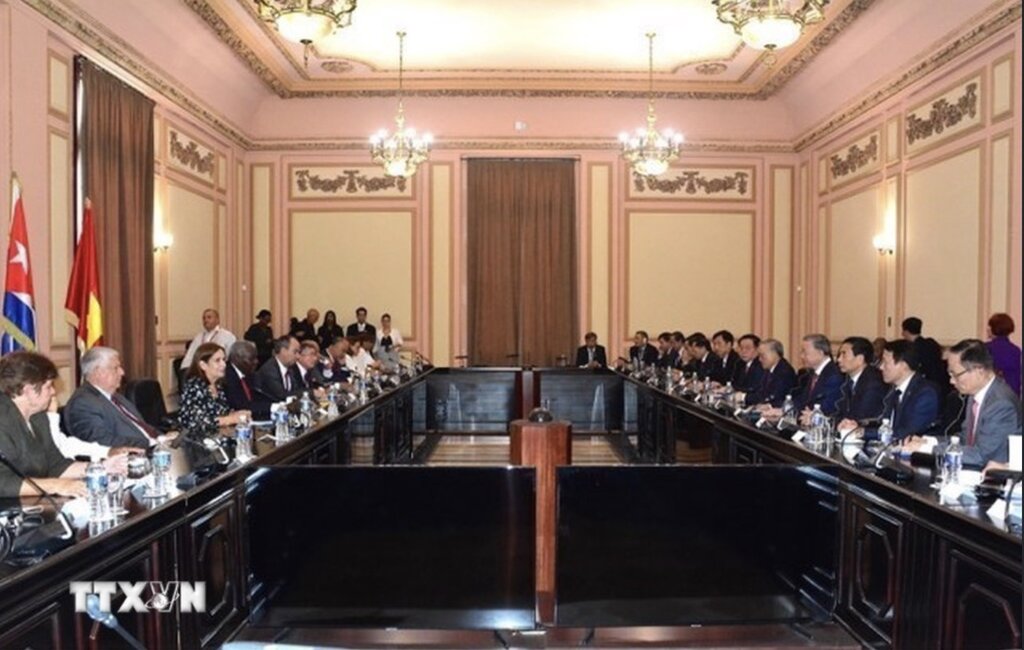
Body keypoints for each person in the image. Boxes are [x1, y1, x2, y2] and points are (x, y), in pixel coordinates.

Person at [905, 339, 1018, 468]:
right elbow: (965, 439)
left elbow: (981, 456)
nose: (952, 381)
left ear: (979, 371)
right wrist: (930, 441)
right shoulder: (976, 393)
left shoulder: (1001, 404)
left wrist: (927, 449)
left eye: (955, 375)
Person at [0, 352, 92, 497]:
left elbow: (56, 465)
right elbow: (3, 482)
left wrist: (101, 468)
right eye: (48, 386)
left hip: (33, 506)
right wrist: (57, 485)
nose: (53, 392)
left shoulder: (38, 417)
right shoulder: (3, 420)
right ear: (28, 390)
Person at [64, 347, 156, 448]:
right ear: (98, 372)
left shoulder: (117, 397)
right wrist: (150, 443)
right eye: (116, 368)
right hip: (131, 457)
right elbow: (101, 441)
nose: (122, 372)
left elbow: (142, 427)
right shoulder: (82, 403)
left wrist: (163, 437)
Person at [863, 339, 940, 441]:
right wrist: (858, 426)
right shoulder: (894, 390)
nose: (881, 367)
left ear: (903, 365)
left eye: (885, 362)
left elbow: (907, 433)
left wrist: (864, 433)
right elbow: (884, 422)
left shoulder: (925, 393)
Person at [178, 343, 250, 434]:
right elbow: (196, 422)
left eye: (224, 360)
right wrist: (229, 419)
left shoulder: (218, 386)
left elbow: (221, 414)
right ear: (203, 365)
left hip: (218, 438)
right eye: (217, 361)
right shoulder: (194, 387)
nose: (223, 364)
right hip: (198, 442)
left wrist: (237, 414)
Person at [834, 336, 887, 427]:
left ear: (860, 359)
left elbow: (860, 417)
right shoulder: (849, 381)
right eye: (839, 355)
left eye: (844, 355)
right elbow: (841, 412)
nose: (838, 359)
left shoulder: (874, 383)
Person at [793, 333, 844, 417]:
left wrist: (811, 415)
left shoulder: (834, 375)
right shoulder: (813, 373)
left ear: (820, 353)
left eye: (805, 352)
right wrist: (783, 410)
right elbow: (803, 400)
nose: (802, 356)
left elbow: (827, 407)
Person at [741, 338, 796, 408]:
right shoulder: (768, 369)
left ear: (774, 354)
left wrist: (744, 397)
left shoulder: (784, 371)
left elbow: (773, 397)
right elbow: (760, 391)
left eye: (762, 355)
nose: (759, 359)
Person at [224, 340, 271, 419]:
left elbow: (258, 397)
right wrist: (272, 407)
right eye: (251, 359)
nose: (256, 362)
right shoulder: (227, 376)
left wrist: (278, 405)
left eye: (256, 357)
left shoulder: (250, 374)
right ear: (237, 359)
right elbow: (241, 406)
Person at [901, 317, 946, 392]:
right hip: (940, 383)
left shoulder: (911, 349)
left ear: (906, 332)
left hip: (924, 385)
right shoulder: (931, 343)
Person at [253, 335, 302, 402]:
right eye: (295, 352)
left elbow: (296, 390)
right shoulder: (269, 369)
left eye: (299, 352)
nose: (298, 356)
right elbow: (281, 395)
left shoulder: (291, 368)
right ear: (283, 351)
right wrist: (310, 393)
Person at [985, 312, 1021, 396]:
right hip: (1012, 396)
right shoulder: (1016, 351)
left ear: (992, 329)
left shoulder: (984, 349)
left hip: (991, 395)